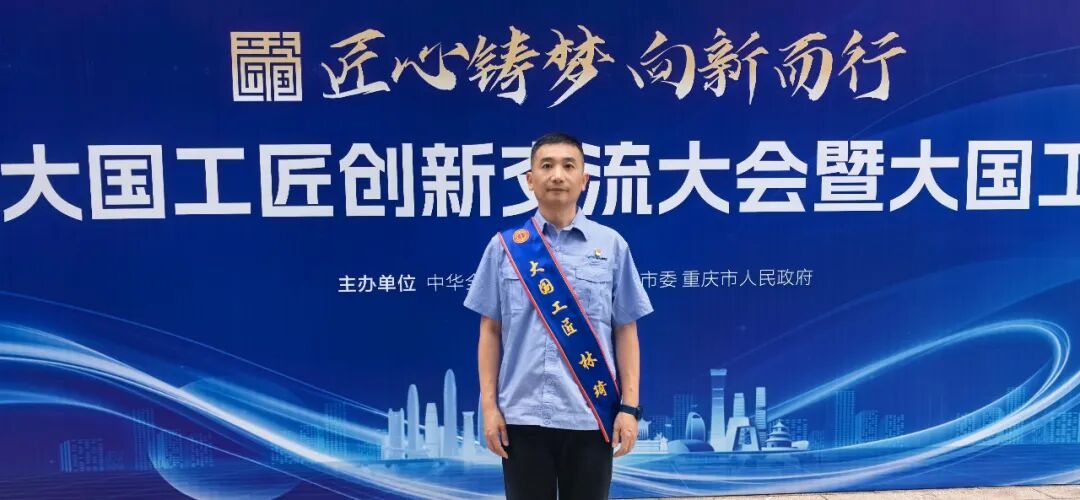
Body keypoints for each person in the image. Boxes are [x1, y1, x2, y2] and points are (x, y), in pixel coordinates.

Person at [464, 132, 653, 499]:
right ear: (529, 179)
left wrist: (629, 408)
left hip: (591, 413)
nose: (557, 175)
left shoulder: (611, 245)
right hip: (521, 417)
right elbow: (490, 331)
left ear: (584, 180)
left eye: (569, 166)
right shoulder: (505, 247)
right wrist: (489, 408)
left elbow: (626, 330)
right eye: (546, 165)